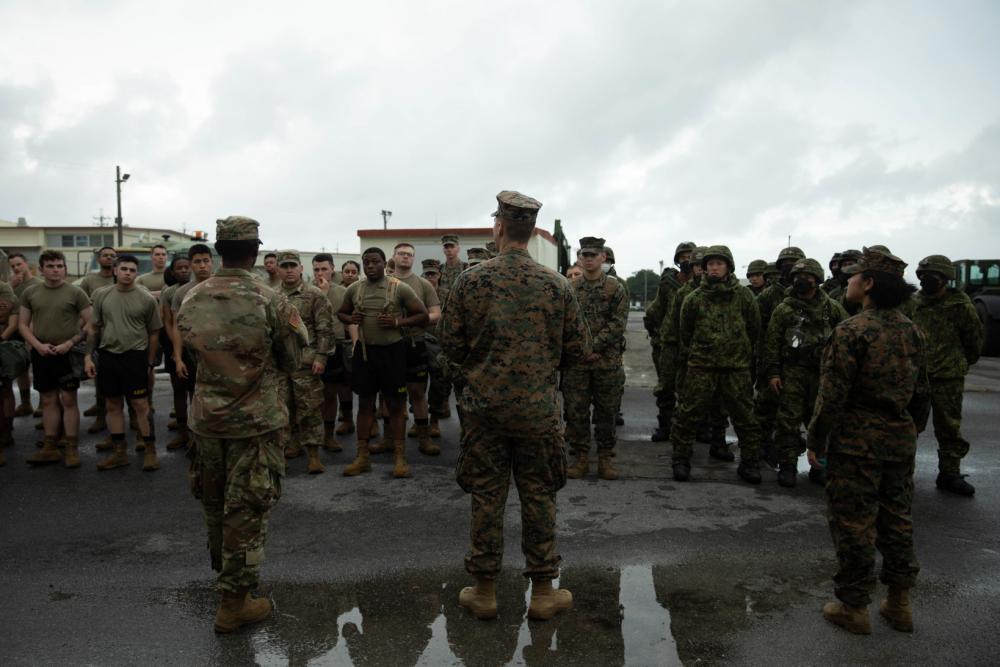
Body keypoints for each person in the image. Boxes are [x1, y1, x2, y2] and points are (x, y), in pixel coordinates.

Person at [440, 190, 591, 622]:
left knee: (487, 497)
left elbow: (449, 343)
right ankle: (543, 592)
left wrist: (479, 373)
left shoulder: (472, 281)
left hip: (484, 411)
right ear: (528, 230)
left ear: (500, 227)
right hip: (539, 412)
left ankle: (484, 591)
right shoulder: (558, 284)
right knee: (539, 496)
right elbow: (579, 351)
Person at [178, 216, 307, 633]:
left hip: (207, 422)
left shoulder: (192, 297)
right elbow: (292, 360)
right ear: (254, 252)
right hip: (255, 423)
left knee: (215, 506)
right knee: (247, 510)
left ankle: (226, 581)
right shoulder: (271, 300)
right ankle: (235, 601)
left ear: (219, 250)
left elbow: (195, 353)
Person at [807, 247, 929, 636]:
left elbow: (832, 396)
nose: (848, 281)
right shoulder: (912, 330)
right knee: (897, 519)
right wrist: (907, 429)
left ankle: (853, 608)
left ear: (870, 284)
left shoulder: (851, 331)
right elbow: (922, 393)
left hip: (855, 442)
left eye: (855, 276)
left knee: (853, 524)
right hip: (899, 438)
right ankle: (898, 603)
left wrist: (816, 439)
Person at [671, 245, 762, 483]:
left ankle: (750, 463)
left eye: (718, 263)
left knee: (745, 417)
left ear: (728, 267)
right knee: (688, 415)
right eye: (709, 264)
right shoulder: (694, 298)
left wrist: (738, 352)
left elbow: (754, 329)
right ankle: (681, 459)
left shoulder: (744, 296)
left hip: (736, 368)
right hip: (701, 367)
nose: (713, 268)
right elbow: (685, 333)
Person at [337, 248, 428, 478]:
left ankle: (399, 457)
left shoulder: (399, 287)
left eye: (375, 262)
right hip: (366, 353)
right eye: (366, 262)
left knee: (396, 405)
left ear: (383, 263)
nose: (370, 266)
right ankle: (362, 457)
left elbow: (423, 315)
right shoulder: (354, 289)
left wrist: (398, 322)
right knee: (365, 404)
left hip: (393, 353)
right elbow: (341, 313)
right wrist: (351, 319)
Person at [763, 258, 847, 487]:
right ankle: (787, 465)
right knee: (788, 420)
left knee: (820, 421)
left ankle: (819, 466)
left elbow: (845, 341)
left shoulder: (832, 308)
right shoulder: (784, 309)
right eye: (798, 277)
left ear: (817, 280)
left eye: (808, 277)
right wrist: (773, 373)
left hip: (823, 374)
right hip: (793, 372)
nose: (803, 281)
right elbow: (771, 343)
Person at [911, 254, 983, 496]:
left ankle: (949, 473)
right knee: (909, 426)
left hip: (948, 378)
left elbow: (974, 341)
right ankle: (901, 472)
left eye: (932, 276)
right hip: (916, 377)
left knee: (949, 428)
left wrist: (958, 363)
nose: (925, 280)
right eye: (922, 276)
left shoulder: (961, 307)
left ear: (945, 278)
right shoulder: (913, 304)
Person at [85, 254, 163, 471]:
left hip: (135, 357)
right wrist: (87, 356)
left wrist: (149, 364)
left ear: (136, 273)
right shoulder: (101, 295)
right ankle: (120, 452)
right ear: (116, 270)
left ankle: (150, 451)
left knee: (141, 405)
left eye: (132, 270)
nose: (128, 273)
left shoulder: (146, 298)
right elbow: (94, 327)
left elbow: (154, 333)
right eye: (124, 269)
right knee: (112, 404)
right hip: (108, 356)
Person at [19, 250, 91, 468]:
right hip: (42, 353)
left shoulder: (76, 293)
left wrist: (70, 343)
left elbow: (90, 323)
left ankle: (71, 447)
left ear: (64, 268)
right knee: (49, 400)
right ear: (41, 269)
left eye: (60, 266)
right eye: (50, 266)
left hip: (67, 354)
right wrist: (38, 345)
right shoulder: (30, 293)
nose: (56, 270)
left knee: (68, 400)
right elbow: (23, 324)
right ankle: (50, 447)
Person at [564, 237, 628, 480]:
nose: (588, 259)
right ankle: (580, 458)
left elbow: (617, 324)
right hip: (577, 363)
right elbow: (565, 323)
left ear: (603, 258)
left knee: (606, 412)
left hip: (606, 362)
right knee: (577, 412)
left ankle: (605, 457)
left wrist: (594, 347)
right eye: (584, 255)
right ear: (580, 258)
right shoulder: (571, 288)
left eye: (593, 255)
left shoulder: (615, 288)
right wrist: (581, 349)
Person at [277, 250, 334, 473]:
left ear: (301, 269)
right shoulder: (272, 296)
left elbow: (325, 329)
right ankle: (292, 445)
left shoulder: (315, 295)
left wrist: (321, 356)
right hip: (281, 364)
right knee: (282, 408)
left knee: (309, 408)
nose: (289, 270)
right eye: (285, 266)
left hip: (306, 362)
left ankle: (313, 454)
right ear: (278, 269)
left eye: (293, 265)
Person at [390, 243, 441, 456]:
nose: (405, 257)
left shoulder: (422, 284)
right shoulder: (382, 284)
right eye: (401, 254)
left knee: (418, 392)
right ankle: (391, 440)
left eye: (409, 255)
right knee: (391, 395)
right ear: (393, 257)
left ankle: (424, 437)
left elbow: (436, 314)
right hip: (388, 345)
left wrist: (411, 321)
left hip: (414, 343)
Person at [647, 242, 695, 442]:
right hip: (669, 345)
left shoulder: (704, 284)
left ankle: (693, 428)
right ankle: (665, 425)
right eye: (682, 257)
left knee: (693, 390)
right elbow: (654, 312)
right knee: (666, 387)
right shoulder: (668, 283)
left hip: (695, 346)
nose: (687, 260)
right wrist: (659, 337)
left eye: (690, 256)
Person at [312, 253, 350, 453]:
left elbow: (350, 320)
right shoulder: (306, 291)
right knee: (309, 396)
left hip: (334, 347)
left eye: (324, 269)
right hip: (311, 349)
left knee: (330, 393)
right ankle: (309, 437)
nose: (320, 273)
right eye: (316, 269)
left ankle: (328, 436)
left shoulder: (342, 292)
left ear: (332, 269)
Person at [160, 256, 192, 450]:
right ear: (172, 272)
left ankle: (196, 431)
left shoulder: (199, 289)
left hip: (197, 348)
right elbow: (168, 321)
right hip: (176, 348)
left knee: (196, 392)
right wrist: (176, 347)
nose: (183, 271)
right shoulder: (169, 292)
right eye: (179, 268)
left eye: (186, 267)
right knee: (178, 389)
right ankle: (182, 431)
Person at [8, 253, 41, 417]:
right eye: (13, 266)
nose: (16, 268)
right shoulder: (10, 284)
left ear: (26, 264)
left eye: (19, 264)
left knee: (40, 367)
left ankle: (43, 404)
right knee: (21, 369)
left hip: (33, 330)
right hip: (14, 330)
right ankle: (26, 403)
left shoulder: (37, 284)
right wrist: (10, 286)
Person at [438, 234, 467, 307]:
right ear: (443, 250)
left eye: (452, 247)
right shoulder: (438, 270)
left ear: (458, 248)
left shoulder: (466, 268)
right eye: (446, 247)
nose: (449, 250)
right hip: (443, 310)